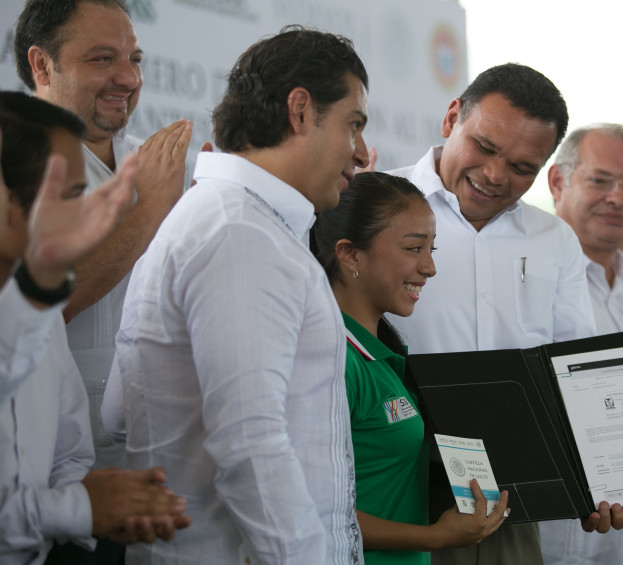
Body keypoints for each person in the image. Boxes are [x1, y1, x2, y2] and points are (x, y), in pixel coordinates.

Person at [104, 27, 370, 564]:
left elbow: (119, 416)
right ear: (300, 111)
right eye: (354, 125)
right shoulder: (240, 233)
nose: (361, 153)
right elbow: (248, 442)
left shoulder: (233, 221)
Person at [386, 63, 623, 565]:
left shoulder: (554, 240)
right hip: (392, 482)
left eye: (522, 167)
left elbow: (572, 372)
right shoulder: (375, 206)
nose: (495, 175)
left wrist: (600, 476)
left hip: (510, 501)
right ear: (452, 118)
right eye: (485, 147)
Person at [0, 91, 190, 564]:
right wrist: (80, 508)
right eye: (69, 197)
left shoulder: (38, 315)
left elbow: (67, 457)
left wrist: (107, 499)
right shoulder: (36, 302)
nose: (86, 216)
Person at [15, 0, 192, 475]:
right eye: (101, 59)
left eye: (134, 60)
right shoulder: (12, 165)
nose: (129, 79)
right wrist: (152, 210)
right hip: (45, 477)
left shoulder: (160, 164)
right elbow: (31, 307)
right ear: (41, 65)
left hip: (158, 469)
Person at [312, 171, 509, 564]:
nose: (430, 267)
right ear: (349, 254)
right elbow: (315, 514)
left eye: (431, 248)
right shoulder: (332, 360)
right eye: (414, 248)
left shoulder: (380, 356)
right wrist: (434, 536)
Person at [541, 123, 623, 564]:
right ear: (558, 181)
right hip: (566, 526)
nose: (619, 198)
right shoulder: (529, 274)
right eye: (600, 180)